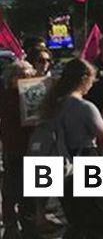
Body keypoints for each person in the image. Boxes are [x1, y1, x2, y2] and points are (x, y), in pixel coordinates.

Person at [39, 58, 103, 239]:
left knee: (77, 220)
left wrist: (102, 116)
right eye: (91, 80)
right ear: (84, 78)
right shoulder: (84, 106)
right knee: (99, 219)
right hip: (87, 158)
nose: (91, 85)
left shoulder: (53, 104)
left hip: (62, 163)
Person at [1, 60, 38, 239]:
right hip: (16, 150)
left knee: (32, 195)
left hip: (36, 150)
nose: (27, 79)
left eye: (30, 75)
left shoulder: (35, 94)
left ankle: (30, 226)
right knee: (14, 190)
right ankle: (13, 227)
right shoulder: (8, 97)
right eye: (22, 76)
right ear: (12, 79)